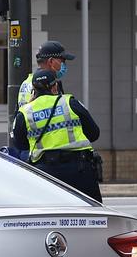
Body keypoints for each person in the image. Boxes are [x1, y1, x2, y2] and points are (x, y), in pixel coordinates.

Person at [12, 68, 103, 201]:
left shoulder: (25, 112)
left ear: (34, 90)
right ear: (55, 87)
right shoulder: (70, 102)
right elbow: (94, 133)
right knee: (92, 215)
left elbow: (20, 144)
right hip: (80, 170)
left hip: (46, 174)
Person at [16, 41, 75, 109]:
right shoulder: (48, 85)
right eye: (62, 61)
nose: (64, 64)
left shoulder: (25, 83)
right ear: (51, 61)